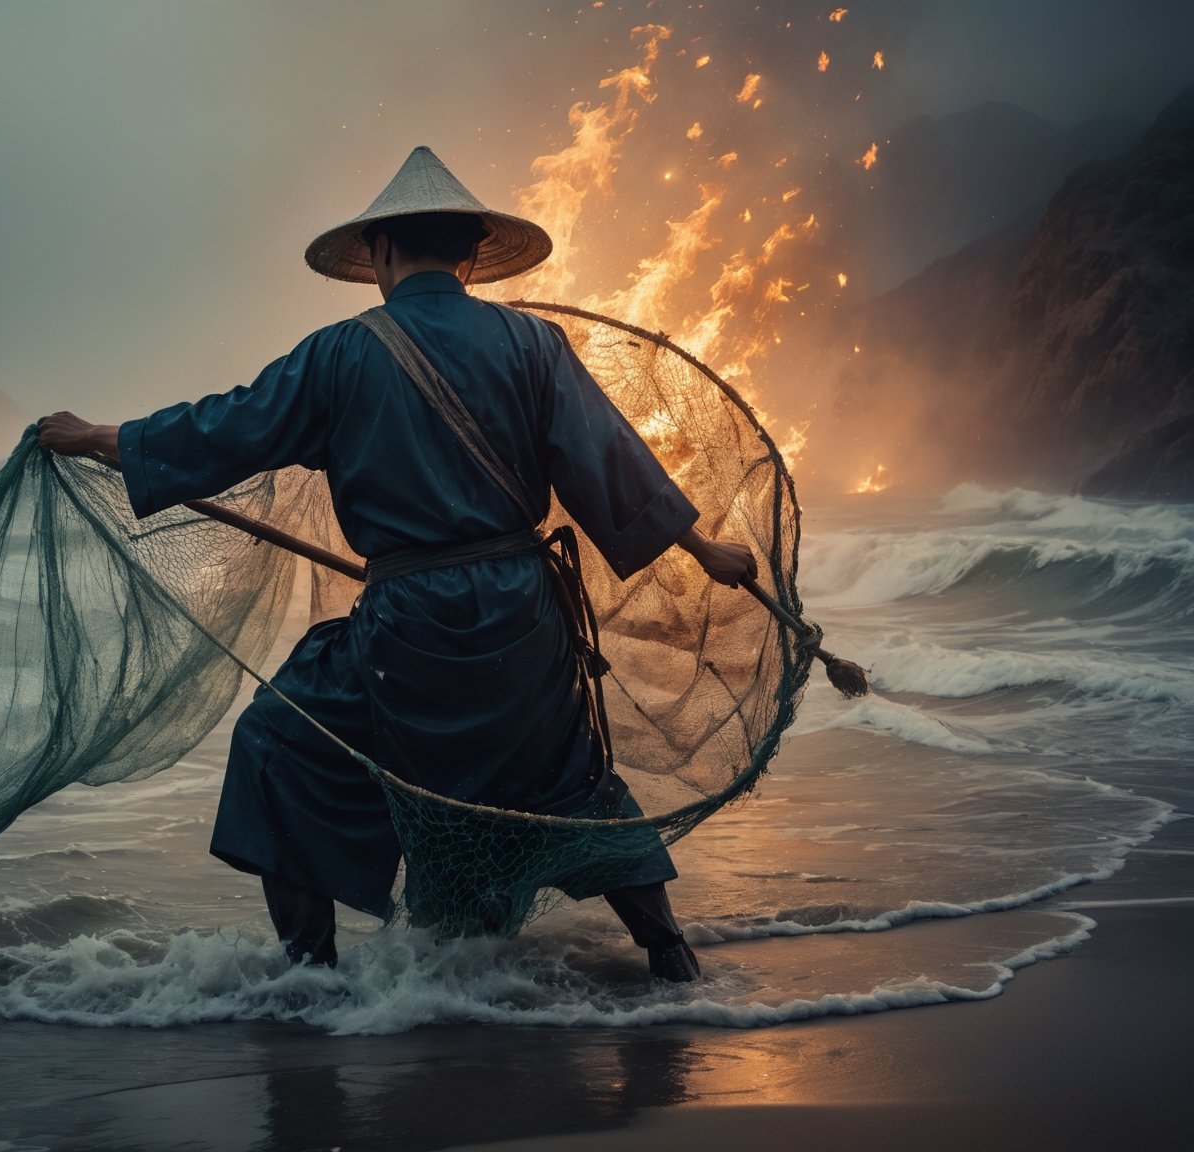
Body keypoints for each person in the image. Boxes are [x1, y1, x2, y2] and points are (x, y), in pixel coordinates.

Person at [39, 146, 755, 981]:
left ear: (379, 253)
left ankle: (310, 978)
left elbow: (225, 430)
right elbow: (613, 468)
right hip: (523, 623)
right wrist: (704, 549)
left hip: (408, 630)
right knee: (565, 777)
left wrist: (99, 437)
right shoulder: (535, 344)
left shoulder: (338, 353)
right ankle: (669, 953)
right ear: (469, 255)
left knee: (277, 745)